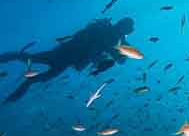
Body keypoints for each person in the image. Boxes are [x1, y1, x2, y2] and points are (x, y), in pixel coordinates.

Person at [0, 17, 135, 103]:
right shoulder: (110, 36)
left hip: (65, 56)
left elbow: (119, 58)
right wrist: (121, 47)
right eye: (127, 30)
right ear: (123, 28)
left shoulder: (112, 36)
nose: (126, 33)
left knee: (32, 63)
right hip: (65, 56)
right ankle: (9, 99)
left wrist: (121, 45)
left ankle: (10, 98)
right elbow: (120, 59)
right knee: (34, 69)